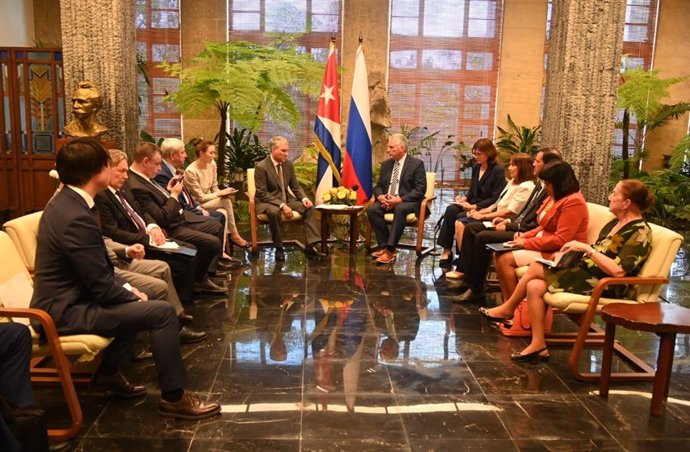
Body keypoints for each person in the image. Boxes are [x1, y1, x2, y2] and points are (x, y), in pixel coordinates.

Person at [29, 138, 220, 419]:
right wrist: (131, 293)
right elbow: (99, 282)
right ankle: (174, 398)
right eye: (108, 165)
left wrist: (127, 288)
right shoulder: (73, 215)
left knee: (140, 302)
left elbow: (98, 270)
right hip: (63, 310)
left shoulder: (71, 203)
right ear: (97, 170)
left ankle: (108, 373)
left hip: (77, 297)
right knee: (162, 313)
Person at [481, 180, 655, 362]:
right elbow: (597, 251)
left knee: (537, 267)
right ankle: (538, 345)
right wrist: (569, 254)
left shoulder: (640, 232)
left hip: (606, 284)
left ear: (626, 203)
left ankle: (509, 309)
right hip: (586, 273)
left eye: (614, 193)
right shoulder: (615, 224)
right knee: (534, 285)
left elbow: (618, 272)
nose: (610, 197)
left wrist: (587, 249)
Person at [95, 149, 225, 298]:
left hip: (163, 226)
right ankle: (188, 295)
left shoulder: (125, 187)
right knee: (193, 251)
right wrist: (150, 235)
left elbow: (142, 212)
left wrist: (153, 226)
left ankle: (196, 284)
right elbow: (113, 232)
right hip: (143, 239)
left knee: (208, 233)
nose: (125, 176)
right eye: (121, 171)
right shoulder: (114, 191)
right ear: (106, 170)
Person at [448, 148, 562, 298]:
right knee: (470, 227)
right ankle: (468, 280)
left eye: (537, 161)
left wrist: (509, 225)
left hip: (526, 232)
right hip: (519, 226)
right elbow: (524, 213)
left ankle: (475, 289)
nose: (533, 164)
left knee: (482, 235)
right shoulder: (540, 186)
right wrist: (506, 221)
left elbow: (534, 223)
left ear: (548, 165)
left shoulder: (546, 189)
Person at [474, 160, 589, 304]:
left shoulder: (573, 202)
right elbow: (543, 225)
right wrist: (525, 235)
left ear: (560, 183)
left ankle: (512, 307)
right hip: (544, 243)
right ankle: (508, 302)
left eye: (548, 184)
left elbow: (560, 240)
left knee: (504, 259)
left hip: (558, 251)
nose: (545, 188)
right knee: (498, 254)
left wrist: (526, 243)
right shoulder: (554, 197)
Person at [126, 142, 236, 282]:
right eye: (158, 164)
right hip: (172, 226)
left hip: (178, 215)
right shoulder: (136, 184)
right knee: (212, 242)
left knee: (216, 225)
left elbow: (160, 199)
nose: (160, 168)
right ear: (146, 162)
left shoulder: (145, 177)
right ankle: (201, 280)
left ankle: (208, 272)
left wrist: (168, 190)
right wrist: (174, 195)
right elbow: (161, 217)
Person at [445, 152, 535, 279]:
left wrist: (483, 217)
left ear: (522, 167)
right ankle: (465, 265)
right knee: (460, 220)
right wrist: (481, 212)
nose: (509, 168)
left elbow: (510, 211)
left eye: (512, 165)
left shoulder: (526, 187)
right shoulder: (513, 182)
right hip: (495, 214)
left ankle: (465, 268)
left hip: (503, 220)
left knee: (465, 224)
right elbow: (497, 203)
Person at [254, 136, 323, 262]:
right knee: (274, 212)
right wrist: (282, 205)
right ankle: (279, 248)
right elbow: (262, 193)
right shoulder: (261, 167)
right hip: (266, 202)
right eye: (283, 151)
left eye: (287, 150)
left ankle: (311, 245)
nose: (287, 154)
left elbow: (295, 186)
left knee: (308, 207)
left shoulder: (288, 164)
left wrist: (304, 198)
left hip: (287, 200)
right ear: (273, 150)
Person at [438, 138, 506, 266]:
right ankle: (447, 250)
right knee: (451, 210)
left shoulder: (497, 170)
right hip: (472, 204)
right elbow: (472, 190)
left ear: (489, 153)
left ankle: (464, 256)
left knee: (459, 216)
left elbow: (495, 198)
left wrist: (474, 206)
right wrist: (465, 199)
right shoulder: (476, 167)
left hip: (485, 207)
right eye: (475, 154)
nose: (476, 157)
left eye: (479, 154)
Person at [367, 133, 427, 264]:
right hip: (387, 201)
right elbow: (378, 186)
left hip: (407, 202)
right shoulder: (386, 165)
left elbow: (420, 190)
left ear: (402, 148)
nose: (388, 150)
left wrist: (399, 199)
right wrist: (381, 196)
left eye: (391, 147)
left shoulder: (416, 164)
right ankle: (384, 246)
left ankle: (390, 249)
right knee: (372, 210)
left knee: (400, 208)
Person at [183, 139, 250, 249]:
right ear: (201, 153)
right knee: (226, 201)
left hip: (210, 200)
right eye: (211, 153)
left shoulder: (212, 164)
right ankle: (235, 235)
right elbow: (200, 197)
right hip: (198, 205)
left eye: (214, 152)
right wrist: (220, 194)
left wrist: (223, 193)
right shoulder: (191, 171)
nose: (214, 156)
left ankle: (222, 249)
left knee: (224, 209)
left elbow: (214, 186)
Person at [155, 138, 226, 228]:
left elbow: (186, 196)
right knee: (216, 222)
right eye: (182, 152)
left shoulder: (174, 170)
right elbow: (179, 203)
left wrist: (197, 208)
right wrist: (199, 211)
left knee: (220, 216)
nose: (186, 155)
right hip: (181, 217)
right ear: (172, 156)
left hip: (191, 207)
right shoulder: (162, 175)